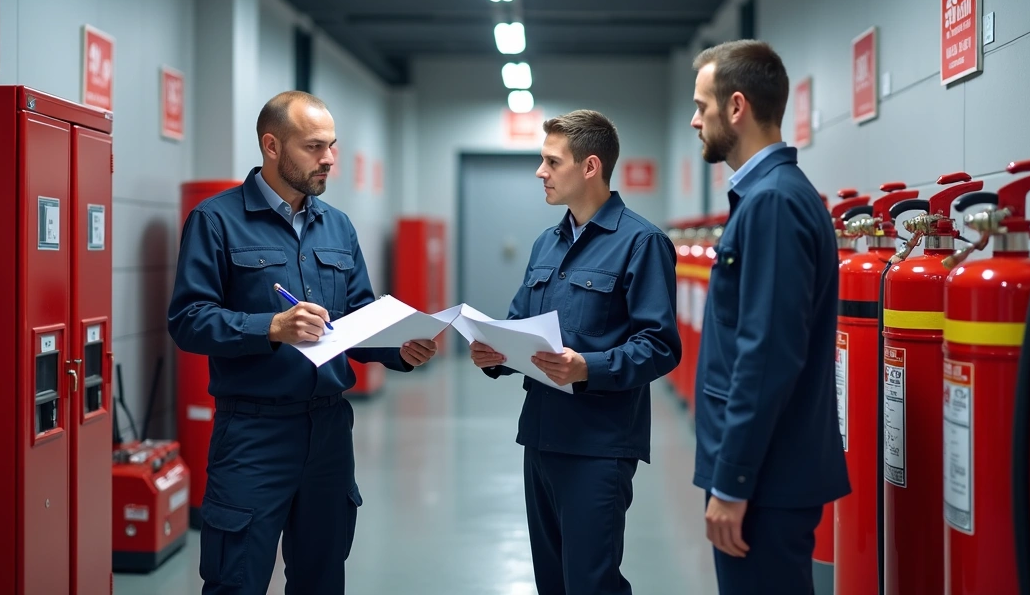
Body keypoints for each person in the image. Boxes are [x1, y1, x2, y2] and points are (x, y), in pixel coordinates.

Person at [167, 91, 438, 594]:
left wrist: (400, 348)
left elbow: (357, 318)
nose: (329, 158)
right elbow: (188, 320)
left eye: (332, 145)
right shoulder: (216, 221)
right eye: (314, 147)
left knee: (321, 577)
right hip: (253, 432)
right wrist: (271, 327)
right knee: (236, 578)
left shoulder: (336, 225)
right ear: (272, 146)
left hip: (329, 430)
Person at [470, 110, 682, 595]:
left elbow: (660, 347)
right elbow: (519, 322)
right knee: (551, 581)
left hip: (598, 446)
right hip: (541, 439)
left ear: (590, 167)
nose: (540, 172)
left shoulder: (642, 242)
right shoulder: (548, 243)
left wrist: (588, 367)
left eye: (551, 161)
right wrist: (494, 353)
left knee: (590, 583)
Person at [689, 41, 850, 593]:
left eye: (701, 107)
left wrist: (732, 482)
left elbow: (766, 355)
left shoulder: (774, 203)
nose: (695, 121)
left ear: (736, 107)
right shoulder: (765, 197)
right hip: (766, 473)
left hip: (765, 481)